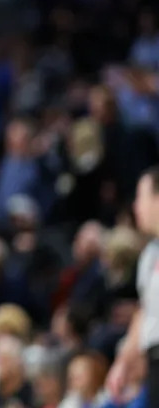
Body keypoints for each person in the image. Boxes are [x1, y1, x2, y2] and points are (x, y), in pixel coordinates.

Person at [106, 166, 159, 407]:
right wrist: (123, 362)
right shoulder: (149, 254)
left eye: (141, 197)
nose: (136, 206)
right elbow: (144, 311)